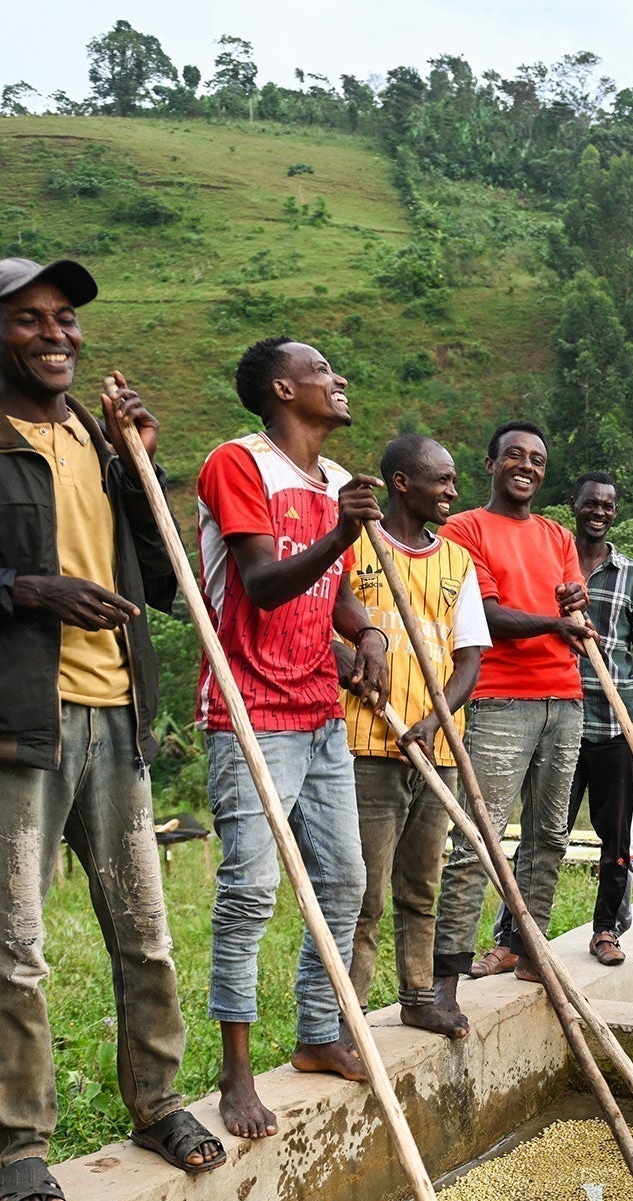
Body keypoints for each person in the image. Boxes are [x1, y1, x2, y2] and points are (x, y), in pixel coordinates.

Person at [0, 256, 223, 1201]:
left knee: (147, 932)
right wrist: (28, 591)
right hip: (15, 730)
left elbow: (165, 581)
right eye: (33, 318)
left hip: (116, 716)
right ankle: (17, 1144)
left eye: (68, 319)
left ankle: (158, 1100)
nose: (57, 334)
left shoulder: (96, 437)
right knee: (14, 947)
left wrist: (141, 469)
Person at [197, 336, 388, 1140]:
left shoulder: (337, 482)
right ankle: (236, 1074)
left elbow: (334, 597)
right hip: (247, 710)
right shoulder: (238, 463)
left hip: (318, 709)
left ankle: (317, 1033)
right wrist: (343, 536)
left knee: (343, 881)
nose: (339, 379)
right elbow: (267, 586)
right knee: (250, 892)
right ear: (283, 388)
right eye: (321, 371)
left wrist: (369, 633)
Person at [434, 422, 591, 1017]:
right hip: (501, 698)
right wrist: (556, 622)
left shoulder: (556, 534)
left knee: (550, 835)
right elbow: (488, 614)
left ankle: (531, 948)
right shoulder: (464, 528)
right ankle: (446, 974)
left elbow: (572, 598)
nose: (527, 466)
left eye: (538, 459)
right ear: (492, 462)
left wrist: (571, 612)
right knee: (478, 839)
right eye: (515, 456)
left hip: (566, 697)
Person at [479, 473, 633, 969]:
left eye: (608, 505)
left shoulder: (630, 575)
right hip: (555, 719)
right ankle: (512, 938)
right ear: (575, 506)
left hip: (613, 723)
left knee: (617, 839)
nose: (599, 512)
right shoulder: (549, 563)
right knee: (541, 835)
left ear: (615, 512)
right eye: (590, 504)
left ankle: (607, 929)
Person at [340, 433, 487, 1041]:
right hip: (367, 745)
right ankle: (342, 1018)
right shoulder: (357, 547)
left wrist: (437, 720)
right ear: (402, 483)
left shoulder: (456, 561)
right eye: (442, 480)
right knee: (363, 894)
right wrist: (348, 662)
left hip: (436, 748)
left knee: (421, 882)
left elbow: (471, 657)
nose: (453, 491)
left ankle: (420, 996)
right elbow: (323, 620)